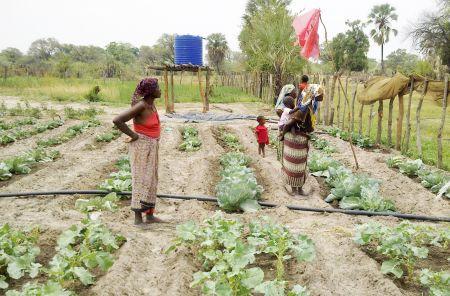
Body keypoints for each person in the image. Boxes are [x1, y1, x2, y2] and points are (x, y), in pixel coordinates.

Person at [113, 77, 162, 225]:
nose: (160, 90)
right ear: (150, 91)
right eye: (157, 87)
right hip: (142, 147)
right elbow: (118, 120)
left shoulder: (151, 105)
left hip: (152, 146)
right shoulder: (141, 106)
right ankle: (137, 218)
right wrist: (133, 135)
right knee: (140, 180)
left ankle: (150, 215)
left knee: (151, 180)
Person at [279, 75, 324, 197]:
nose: (320, 99)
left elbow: (309, 126)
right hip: (295, 139)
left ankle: (299, 188)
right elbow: (292, 121)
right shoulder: (303, 107)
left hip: (302, 138)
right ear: (313, 94)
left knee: (301, 166)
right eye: (319, 96)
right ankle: (294, 189)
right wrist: (286, 132)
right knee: (294, 165)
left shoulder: (309, 106)